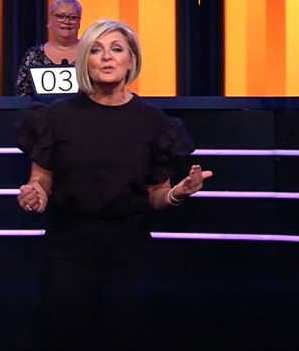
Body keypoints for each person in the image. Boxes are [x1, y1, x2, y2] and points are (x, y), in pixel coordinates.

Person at [16, 18, 211, 349]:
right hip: (67, 248)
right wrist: (36, 194)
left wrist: (177, 193)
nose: (106, 57)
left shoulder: (153, 121)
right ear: (85, 61)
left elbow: (156, 194)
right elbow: (41, 178)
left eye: (116, 49)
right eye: (96, 50)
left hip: (128, 250)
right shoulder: (57, 117)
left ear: (131, 60)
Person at [15, 0, 82, 96]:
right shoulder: (34, 55)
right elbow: (22, 94)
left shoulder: (90, 54)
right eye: (60, 16)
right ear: (50, 20)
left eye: (73, 17)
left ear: (79, 23)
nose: (67, 21)